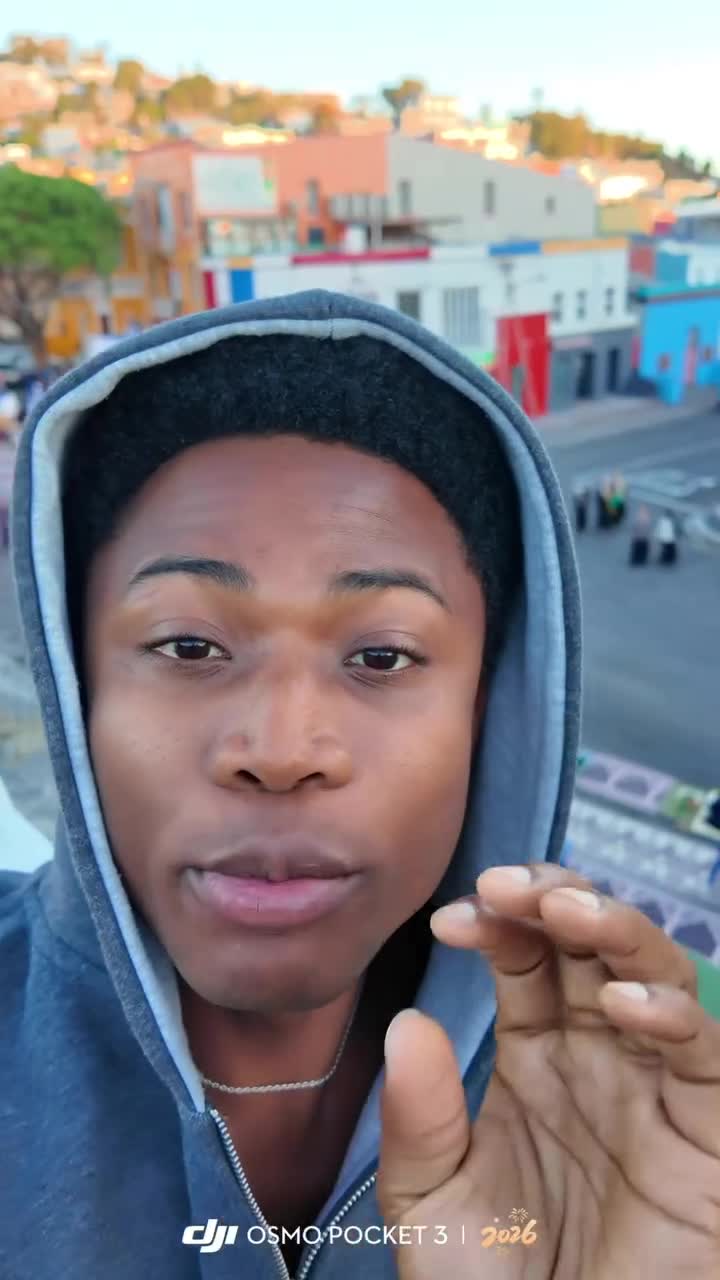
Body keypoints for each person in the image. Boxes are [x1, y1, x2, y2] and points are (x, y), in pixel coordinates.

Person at [2, 293, 718, 1280]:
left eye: (381, 655)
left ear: (490, 713)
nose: (281, 750)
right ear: (77, 686)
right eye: (188, 645)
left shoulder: (615, 1109)